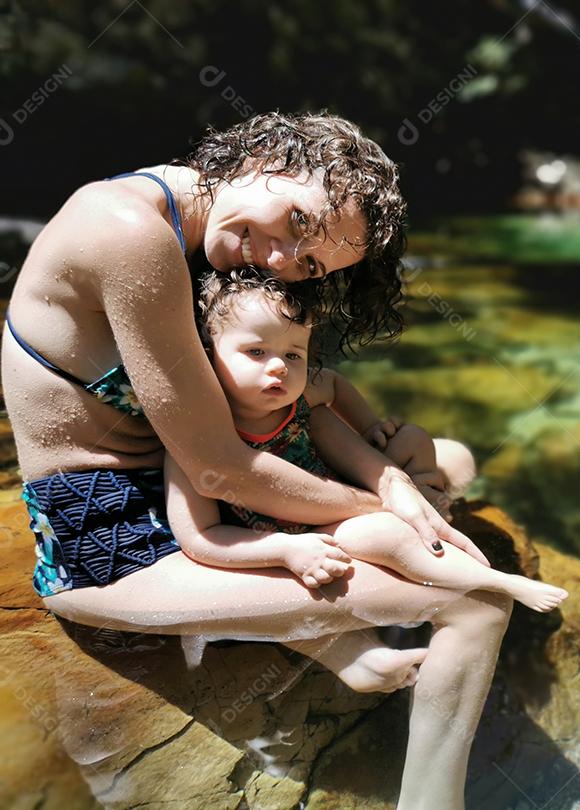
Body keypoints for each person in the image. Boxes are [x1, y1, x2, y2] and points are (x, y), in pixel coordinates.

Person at [1, 111, 514, 808]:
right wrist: (391, 503)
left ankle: (344, 650)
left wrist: (390, 475)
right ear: (268, 154)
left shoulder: (206, 227)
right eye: (300, 223)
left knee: (449, 458)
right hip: (119, 548)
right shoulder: (127, 231)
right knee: (476, 601)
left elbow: (280, 412)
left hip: (211, 499)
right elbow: (217, 469)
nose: (275, 262)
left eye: (307, 265)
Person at [166, 268, 569, 622]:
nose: (279, 367)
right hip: (308, 535)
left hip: (340, 502)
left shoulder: (306, 410)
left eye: (294, 354)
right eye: (256, 352)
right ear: (208, 357)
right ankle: (497, 581)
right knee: (389, 534)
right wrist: (283, 550)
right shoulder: (196, 442)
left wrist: (371, 427)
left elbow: (367, 461)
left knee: (411, 438)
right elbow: (200, 538)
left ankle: (432, 501)